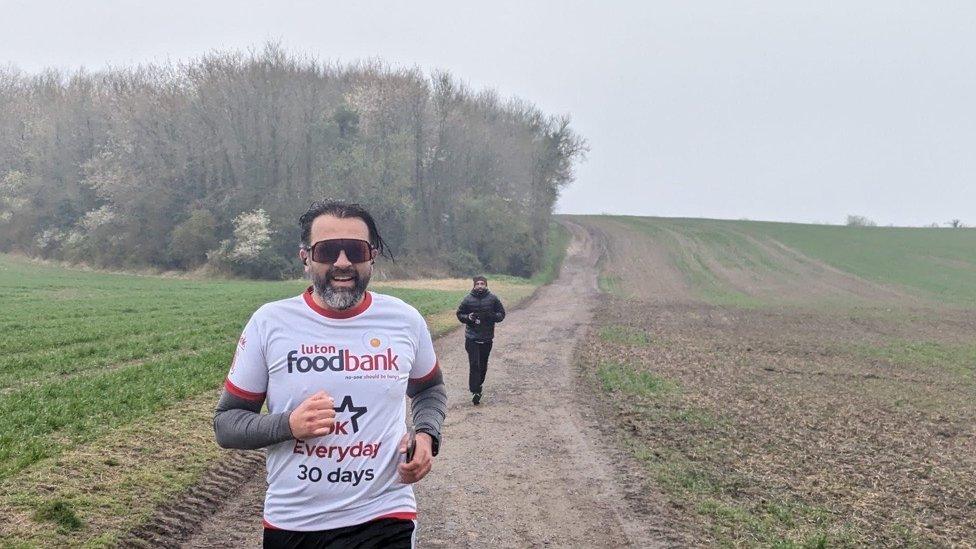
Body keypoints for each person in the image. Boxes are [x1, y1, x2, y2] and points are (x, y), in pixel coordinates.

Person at [213, 200, 447, 548]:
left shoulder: (404, 319)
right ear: (305, 257)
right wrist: (288, 425)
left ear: (373, 256)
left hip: (385, 515)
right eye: (327, 251)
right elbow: (227, 424)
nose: (342, 262)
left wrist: (426, 436)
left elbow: (430, 388)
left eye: (355, 250)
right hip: (294, 522)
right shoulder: (270, 322)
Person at [455, 275, 506, 405]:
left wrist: (493, 316)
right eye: (477, 284)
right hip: (471, 338)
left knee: (483, 365)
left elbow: (502, 314)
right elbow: (459, 314)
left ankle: (479, 385)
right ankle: (475, 391)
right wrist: (468, 317)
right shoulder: (468, 299)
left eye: (482, 283)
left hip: (487, 338)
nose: (480, 286)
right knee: (474, 364)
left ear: (486, 285)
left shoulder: (493, 299)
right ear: (474, 285)